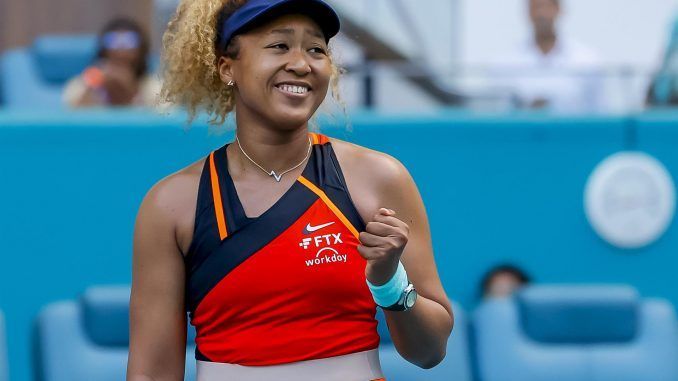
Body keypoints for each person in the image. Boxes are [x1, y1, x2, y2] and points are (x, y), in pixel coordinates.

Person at [126, 1, 454, 380]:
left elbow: (430, 352)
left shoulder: (380, 177)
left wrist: (389, 281)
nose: (302, 63)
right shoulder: (170, 205)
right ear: (226, 67)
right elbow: (151, 372)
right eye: (279, 46)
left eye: (316, 49)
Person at [500, 0, 603, 113]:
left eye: (547, 6)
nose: (541, 14)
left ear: (559, 9)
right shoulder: (506, 63)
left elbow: (601, 112)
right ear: (528, 12)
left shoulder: (586, 60)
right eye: (536, 7)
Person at [63, 18, 160, 108]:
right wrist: (94, 86)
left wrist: (130, 93)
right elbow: (72, 118)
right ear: (103, 50)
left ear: (141, 50)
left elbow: (159, 120)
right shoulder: (80, 85)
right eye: (113, 41)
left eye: (130, 41)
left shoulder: (156, 89)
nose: (121, 50)